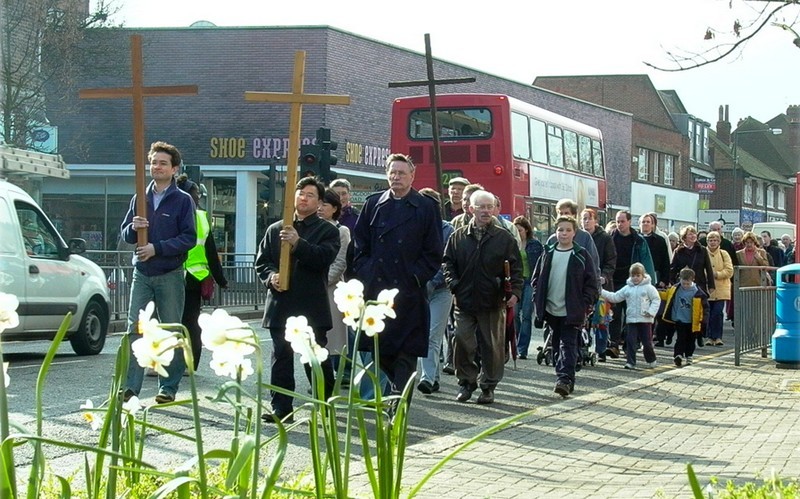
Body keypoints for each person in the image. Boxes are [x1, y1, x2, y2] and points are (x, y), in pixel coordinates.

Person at [352, 153, 443, 405]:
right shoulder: (373, 204)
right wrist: (368, 274)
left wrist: (415, 277)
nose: (396, 177)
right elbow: (360, 247)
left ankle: (398, 407)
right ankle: (391, 398)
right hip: (377, 295)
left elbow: (434, 252)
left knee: (406, 355)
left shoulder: (425, 207)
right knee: (382, 354)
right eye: (392, 172)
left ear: (412, 176)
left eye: (402, 173)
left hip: (409, 295)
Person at [255, 176, 340, 423]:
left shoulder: (327, 230)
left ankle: (325, 402)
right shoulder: (276, 228)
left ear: (319, 202)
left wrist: (298, 243)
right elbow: (262, 261)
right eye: (300, 193)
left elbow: (323, 258)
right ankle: (281, 407)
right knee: (280, 356)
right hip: (281, 303)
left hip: (310, 305)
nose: (303, 198)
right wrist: (271, 277)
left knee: (313, 355)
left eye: (310, 195)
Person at [120, 141, 196, 404]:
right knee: (134, 329)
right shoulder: (139, 197)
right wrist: (133, 226)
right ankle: (130, 387)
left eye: (163, 163)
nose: (157, 167)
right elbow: (126, 235)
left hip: (170, 273)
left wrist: (158, 248)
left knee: (170, 330)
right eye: (153, 162)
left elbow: (189, 238)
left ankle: (168, 387)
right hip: (142, 273)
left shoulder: (183, 200)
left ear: (174, 169)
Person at [444, 190, 522, 404]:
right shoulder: (457, 236)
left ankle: (488, 386)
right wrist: (454, 285)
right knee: (462, 341)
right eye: (481, 207)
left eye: (490, 207)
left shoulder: (504, 238)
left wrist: (514, 292)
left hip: (492, 301)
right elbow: (447, 263)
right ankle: (466, 383)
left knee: (492, 346)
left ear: (495, 209)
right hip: (464, 300)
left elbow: (516, 268)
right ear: (471, 209)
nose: (486, 211)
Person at [532, 215, 599, 398]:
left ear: (574, 232)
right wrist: (538, 298)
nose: (564, 233)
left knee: (567, 344)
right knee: (555, 342)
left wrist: (585, 304)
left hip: (573, 310)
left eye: (568, 230)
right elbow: (537, 279)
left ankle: (565, 380)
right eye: (561, 229)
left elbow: (591, 284)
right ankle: (564, 375)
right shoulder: (548, 252)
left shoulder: (581, 255)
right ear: (555, 231)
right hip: (551, 308)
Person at [177, 174, 228, 371]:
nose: (199, 196)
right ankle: (188, 364)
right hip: (189, 278)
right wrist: (221, 278)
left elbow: (210, 251)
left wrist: (220, 278)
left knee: (179, 322)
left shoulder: (198, 217)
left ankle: (181, 364)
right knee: (189, 323)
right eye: (196, 192)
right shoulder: (198, 216)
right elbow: (211, 252)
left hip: (186, 278)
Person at [417, 188, 454, 395]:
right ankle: (434, 377)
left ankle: (427, 378)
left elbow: (446, 262)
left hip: (441, 290)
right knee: (424, 334)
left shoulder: (447, 230)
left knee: (432, 334)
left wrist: (432, 280)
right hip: (418, 288)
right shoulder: (412, 227)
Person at [607, 210, 655, 359]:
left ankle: (629, 346)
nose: (620, 224)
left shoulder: (638, 240)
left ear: (629, 222)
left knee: (631, 315)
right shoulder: (610, 238)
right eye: (617, 221)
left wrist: (648, 281)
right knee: (614, 314)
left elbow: (646, 262)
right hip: (614, 281)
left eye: (622, 221)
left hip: (633, 283)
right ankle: (614, 344)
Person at [600, 263, 661, 370]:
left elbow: (656, 299)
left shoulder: (649, 288)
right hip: (632, 320)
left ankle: (651, 359)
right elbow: (615, 297)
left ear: (643, 275)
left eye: (638, 275)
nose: (635, 278)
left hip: (645, 319)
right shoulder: (627, 288)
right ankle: (630, 362)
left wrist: (651, 311)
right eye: (633, 276)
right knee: (630, 341)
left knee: (646, 343)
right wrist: (601, 291)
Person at [317, 188, 351, 375]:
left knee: (334, 336)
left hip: (332, 289)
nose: (320, 208)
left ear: (335, 208)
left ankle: (336, 374)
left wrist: (322, 280)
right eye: (319, 204)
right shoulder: (311, 227)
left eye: (325, 205)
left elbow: (340, 262)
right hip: (312, 289)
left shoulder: (341, 230)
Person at [580, 208, 616, 361]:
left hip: (601, 285)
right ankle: (583, 346)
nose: (586, 221)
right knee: (584, 318)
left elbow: (611, 260)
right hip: (583, 283)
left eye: (588, 218)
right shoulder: (579, 237)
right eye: (583, 219)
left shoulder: (605, 238)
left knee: (601, 318)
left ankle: (601, 349)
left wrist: (604, 276)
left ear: (595, 220)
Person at [660, 268, 709, 367]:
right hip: (679, 319)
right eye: (683, 283)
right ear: (680, 279)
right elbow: (666, 295)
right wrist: (655, 292)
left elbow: (705, 308)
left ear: (693, 280)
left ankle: (689, 356)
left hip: (692, 321)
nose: (685, 286)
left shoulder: (698, 293)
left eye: (688, 283)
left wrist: (703, 320)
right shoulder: (675, 289)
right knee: (680, 338)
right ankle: (678, 355)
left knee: (691, 340)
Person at [513, 216, 543, 360]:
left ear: (526, 230)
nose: (518, 233)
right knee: (514, 314)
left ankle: (522, 348)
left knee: (526, 315)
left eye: (520, 230)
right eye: (516, 230)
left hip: (529, 282)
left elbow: (540, 265)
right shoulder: (512, 244)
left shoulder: (535, 245)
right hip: (516, 282)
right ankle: (516, 342)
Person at [546, 199, 600, 274]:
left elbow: (593, 262)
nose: (563, 216)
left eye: (566, 213)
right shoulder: (552, 240)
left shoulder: (585, 237)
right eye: (560, 213)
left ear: (574, 215)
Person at [704, 231, 733, 347]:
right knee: (708, 314)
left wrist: (716, 274)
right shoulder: (703, 252)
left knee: (717, 313)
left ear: (719, 241)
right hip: (706, 288)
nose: (713, 242)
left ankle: (718, 337)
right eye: (710, 240)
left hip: (721, 288)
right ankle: (709, 337)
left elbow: (729, 270)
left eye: (715, 240)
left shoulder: (724, 253)